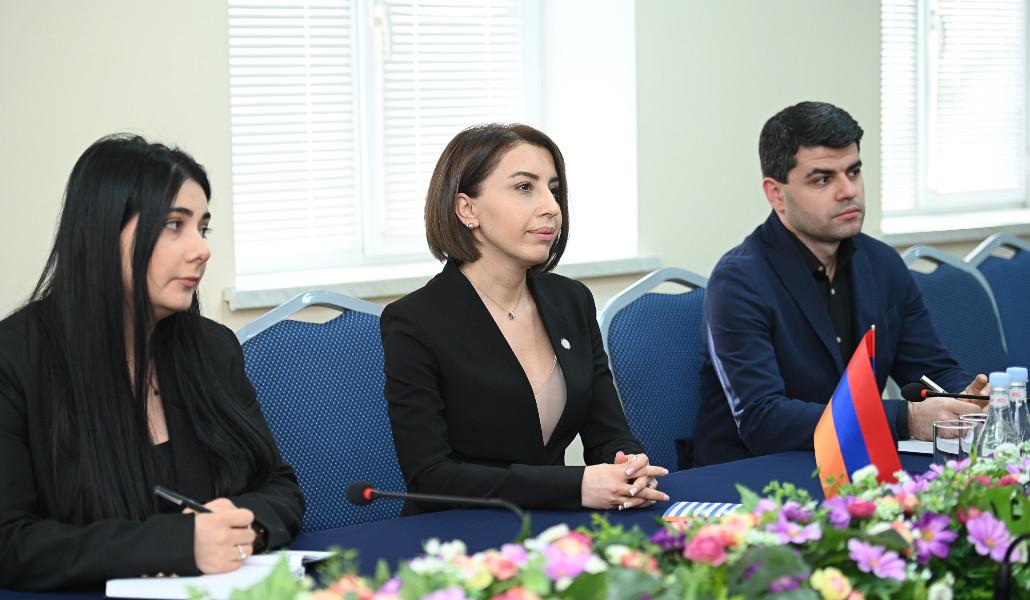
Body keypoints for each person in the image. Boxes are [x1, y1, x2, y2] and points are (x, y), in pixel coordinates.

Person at [0, 135, 305, 590]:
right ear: (102, 232)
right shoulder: (15, 358)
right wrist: (179, 544)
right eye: (173, 225)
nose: (201, 250)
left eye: (202, 228)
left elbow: (279, 486)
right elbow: (11, 542)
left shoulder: (214, 348)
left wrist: (247, 529)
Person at [381, 124, 669, 515]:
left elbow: (608, 433)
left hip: (555, 523)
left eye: (554, 190)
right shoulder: (414, 321)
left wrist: (629, 466)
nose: (551, 207)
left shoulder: (572, 300)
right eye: (523, 187)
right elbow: (431, 475)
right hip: (459, 531)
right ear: (467, 209)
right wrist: (576, 486)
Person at [695, 101, 989, 467]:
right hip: (756, 471)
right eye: (823, 179)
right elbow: (763, 419)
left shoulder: (882, 263)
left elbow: (931, 369)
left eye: (854, 171)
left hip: (857, 463)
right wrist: (905, 419)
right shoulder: (739, 280)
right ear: (775, 194)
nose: (848, 191)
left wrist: (964, 398)